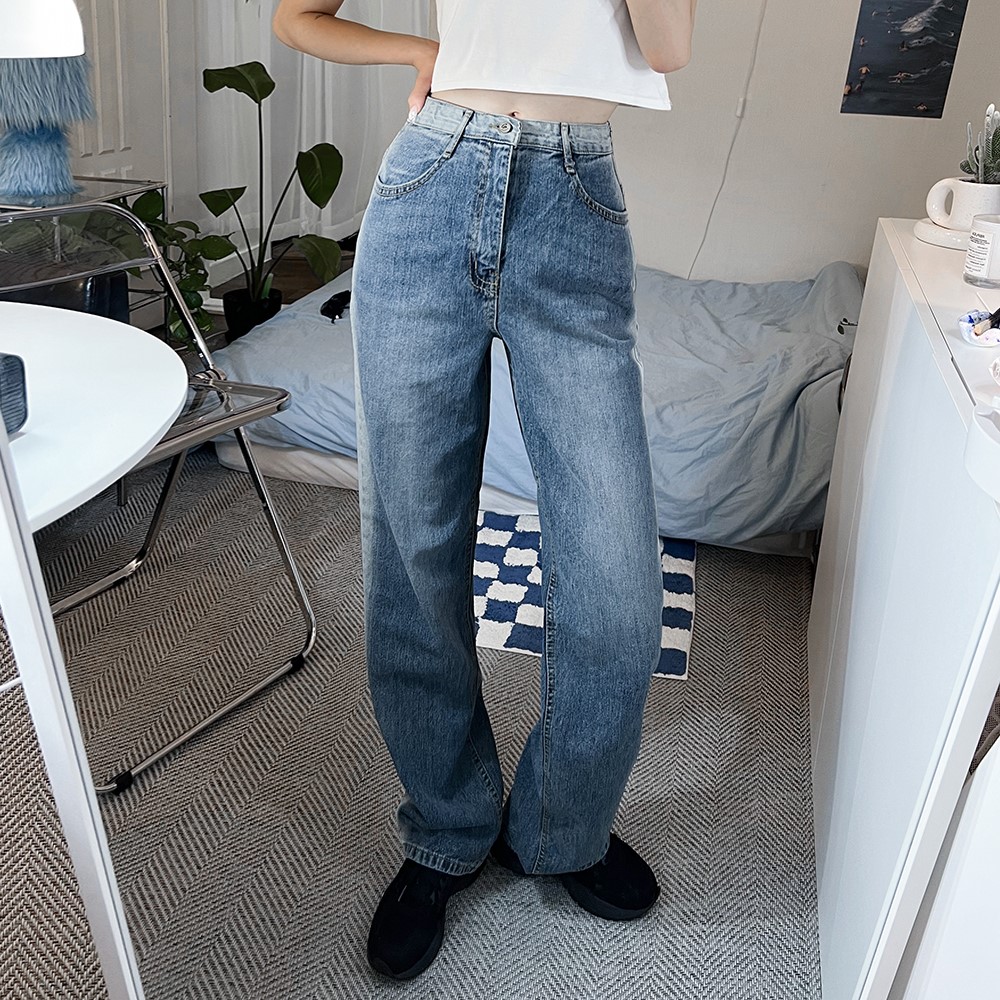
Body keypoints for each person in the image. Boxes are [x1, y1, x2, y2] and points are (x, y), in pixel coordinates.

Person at [273, 0, 697, 981]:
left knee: (619, 591)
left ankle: (559, 826)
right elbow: (298, 17)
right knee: (413, 553)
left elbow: (668, 46)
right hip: (432, 181)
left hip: (575, 200)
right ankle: (446, 828)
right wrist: (420, 48)